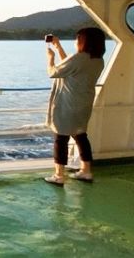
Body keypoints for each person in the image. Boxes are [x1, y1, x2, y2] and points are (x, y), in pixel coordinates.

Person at [44, 27, 106, 186]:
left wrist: (50, 58)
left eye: (78, 39)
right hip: (83, 105)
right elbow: (70, 67)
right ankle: (86, 171)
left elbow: (54, 72)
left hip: (68, 106)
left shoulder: (79, 58)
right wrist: (58, 47)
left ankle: (59, 175)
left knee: (61, 138)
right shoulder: (98, 60)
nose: (76, 41)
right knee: (81, 136)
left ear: (85, 42)